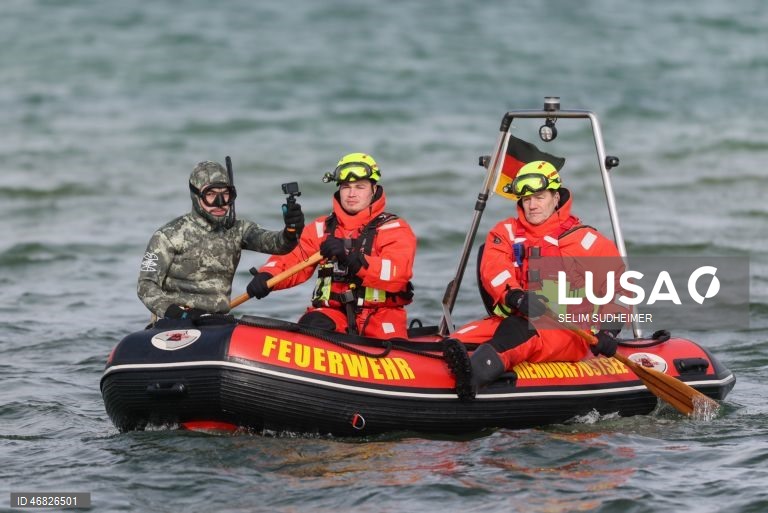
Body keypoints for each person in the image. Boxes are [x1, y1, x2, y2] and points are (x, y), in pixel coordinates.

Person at [444, 160, 627, 399]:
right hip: (515, 317)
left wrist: (609, 331)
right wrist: (515, 296)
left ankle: (468, 387)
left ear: (556, 197)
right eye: (527, 199)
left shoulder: (587, 242)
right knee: (457, 340)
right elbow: (494, 269)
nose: (532, 205)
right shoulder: (505, 232)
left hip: (567, 331)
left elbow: (621, 290)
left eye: (539, 197)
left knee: (517, 332)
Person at [248, 153, 416, 338]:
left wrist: (353, 259)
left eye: (360, 187)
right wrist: (267, 275)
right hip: (333, 313)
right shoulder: (322, 228)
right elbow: (294, 258)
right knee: (311, 323)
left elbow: (398, 273)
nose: (351, 194)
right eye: (346, 187)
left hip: (381, 316)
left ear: (373, 189)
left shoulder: (394, 229)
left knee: (388, 340)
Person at [137, 160, 304, 320]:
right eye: (210, 194)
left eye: (225, 194)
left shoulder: (238, 230)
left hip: (216, 323)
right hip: (175, 322)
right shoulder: (168, 236)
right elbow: (145, 286)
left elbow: (279, 245)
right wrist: (176, 314)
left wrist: (291, 230)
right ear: (196, 196)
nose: (220, 203)